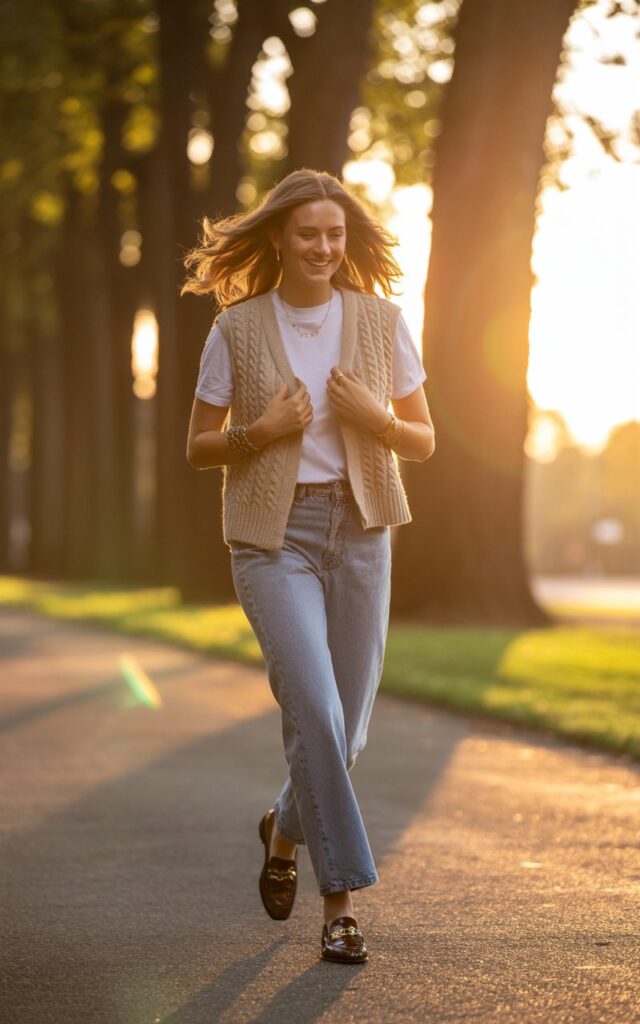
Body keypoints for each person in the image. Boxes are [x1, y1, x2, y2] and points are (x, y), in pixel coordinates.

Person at [183, 168, 435, 964]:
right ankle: (343, 905)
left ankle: (282, 833)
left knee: (345, 727)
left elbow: (425, 439)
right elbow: (199, 446)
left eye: (335, 234)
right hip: (273, 537)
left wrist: (378, 419)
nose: (324, 247)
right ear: (281, 240)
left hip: (362, 530)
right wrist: (261, 430)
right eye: (308, 234)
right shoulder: (236, 326)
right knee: (318, 713)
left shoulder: (382, 320)